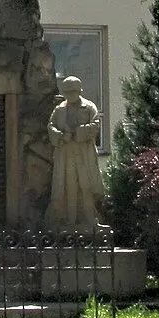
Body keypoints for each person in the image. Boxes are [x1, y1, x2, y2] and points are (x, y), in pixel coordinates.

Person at [45, 76, 103, 231]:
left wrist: (79, 133)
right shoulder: (59, 109)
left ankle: (90, 219)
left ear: (79, 91)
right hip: (66, 153)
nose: (70, 95)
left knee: (86, 185)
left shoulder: (89, 107)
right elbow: (51, 127)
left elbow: (96, 125)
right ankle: (70, 221)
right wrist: (62, 135)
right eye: (67, 92)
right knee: (68, 186)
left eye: (73, 92)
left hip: (84, 153)